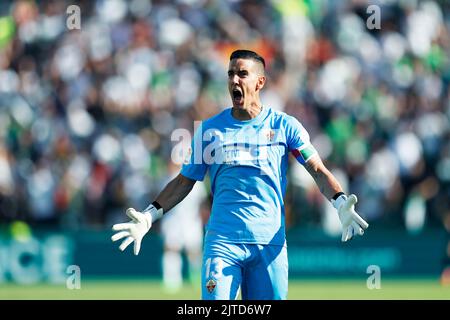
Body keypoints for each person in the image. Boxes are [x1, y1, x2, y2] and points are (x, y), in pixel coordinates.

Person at [111, 49, 369, 300]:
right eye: (230, 73)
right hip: (222, 243)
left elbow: (317, 169)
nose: (234, 79)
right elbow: (184, 181)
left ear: (260, 82)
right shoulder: (210, 130)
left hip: (269, 242)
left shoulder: (284, 126)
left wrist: (339, 201)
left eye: (242, 74)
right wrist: (149, 215)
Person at [160, 161, 207, 292]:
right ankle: (171, 281)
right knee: (171, 249)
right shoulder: (167, 179)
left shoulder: (195, 180)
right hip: (173, 220)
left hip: (191, 219)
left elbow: (202, 202)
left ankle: (196, 279)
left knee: (194, 251)